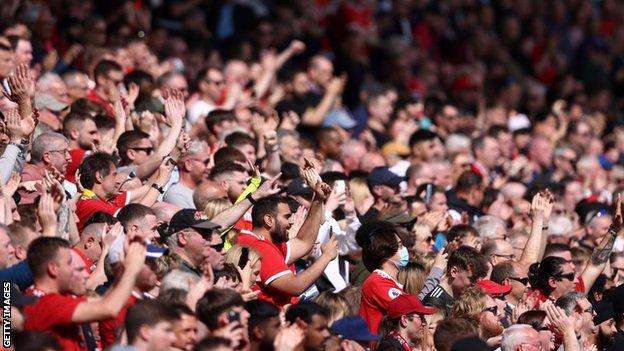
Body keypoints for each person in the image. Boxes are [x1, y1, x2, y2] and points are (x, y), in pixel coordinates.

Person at [23, 236, 145, 351]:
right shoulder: (44, 303)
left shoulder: (59, 297)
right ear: (53, 268)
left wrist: (121, 271)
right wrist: (132, 268)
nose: (83, 272)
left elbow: (105, 301)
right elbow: (109, 308)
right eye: (69, 263)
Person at [237, 179, 335, 307]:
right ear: (269, 220)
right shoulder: (257, 246)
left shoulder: (263, 242)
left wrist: (317, 200)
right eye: (286, 217)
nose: (291, 222)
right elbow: (295, 286)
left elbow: (303, 242)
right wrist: (326, 257)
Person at [422, 246, 488, 316]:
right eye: (472, 279)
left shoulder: (461, 296)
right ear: (454, 272)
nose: (475, 283)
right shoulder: (435, 301)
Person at [163, 209, 222, 276]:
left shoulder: (186, 270)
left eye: (210, 233)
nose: (210, 238)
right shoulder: (177, 275)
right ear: (182, 237)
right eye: (206, 233)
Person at [164, 140, 210, 208]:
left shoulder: (204, 191)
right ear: (188, 164)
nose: (209, 167)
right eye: (206, 162)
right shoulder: (176, 195)